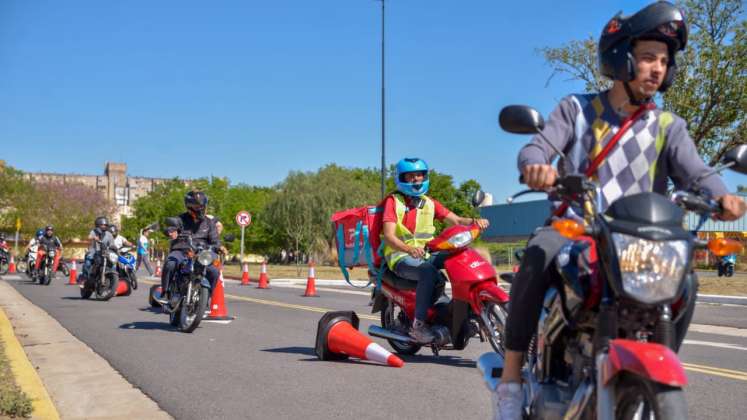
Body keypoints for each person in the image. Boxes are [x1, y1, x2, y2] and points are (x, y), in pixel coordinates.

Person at [494, 3, 747, 418]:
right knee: (537, 256)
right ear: (621, 57)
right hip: (576, 227)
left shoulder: (669, 126)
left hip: (640, 239)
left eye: (664, 61)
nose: (657, 68)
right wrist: (535, 166)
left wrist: (722, 195)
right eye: (648, 57)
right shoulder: (576, 110)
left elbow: (697, 172)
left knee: (687, 284)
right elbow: (538, 145)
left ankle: (655, 368)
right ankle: (509, 380)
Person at [381, 157, 489, 343]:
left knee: (462, 257)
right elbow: (390, 236)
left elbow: (455, 220)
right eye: (411, 176)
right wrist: (409, 248)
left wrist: (474, 222)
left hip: (426, 253)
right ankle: (418, 326)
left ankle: (466, 310)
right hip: (400, 256)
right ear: (401, 179)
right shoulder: (394, 201)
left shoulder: (428, 202)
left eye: (420, 175)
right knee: (428, 273)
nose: (416, 179)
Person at [156, 191, 221, 305]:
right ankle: (165, 293)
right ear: (189, 207)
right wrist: (171, 232)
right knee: (170, 264)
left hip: (202, 253)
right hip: (182, 250)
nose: (201, 208)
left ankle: (206, 298)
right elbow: (170, 228)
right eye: (197, 206)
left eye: (202, 205)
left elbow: (215, 241)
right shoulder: (181, 219)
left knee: (214, 271)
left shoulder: (209, 222)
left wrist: (217, 247)